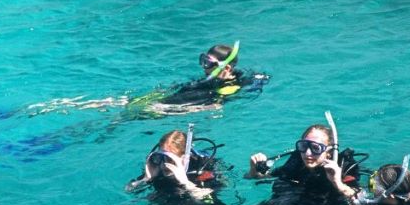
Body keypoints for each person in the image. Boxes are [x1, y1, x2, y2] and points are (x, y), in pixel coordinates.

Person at [19, 42, 270, 119]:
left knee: (119, 118)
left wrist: (164, 109)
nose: (205, 68)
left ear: (228, 67)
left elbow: (212, 106)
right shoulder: (210, 79)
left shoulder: (233, 86)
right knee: (115, 102)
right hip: (171, 95)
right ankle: (50, 106)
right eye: (203, 61)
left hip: (171, 105)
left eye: (211, 65)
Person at [246, 122, 363, 205]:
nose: (307, 153)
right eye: (303, 146)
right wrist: (253, 168)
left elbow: (358, 197)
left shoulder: (344, 166)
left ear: (328, 151)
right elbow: (260, 177)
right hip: (291, 200)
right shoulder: (298, 160)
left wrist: (337, 182)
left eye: (315, 148)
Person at [124, 129, 222, 203]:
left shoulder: (201, 165)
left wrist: (185, 182)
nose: (165, 163)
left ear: (184, 158)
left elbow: (208, 200)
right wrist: (145, 179)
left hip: (196, 195)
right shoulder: (158, 163)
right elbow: (128, 190)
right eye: (162, 156)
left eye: (170, 158)